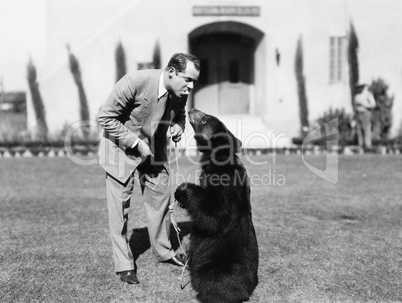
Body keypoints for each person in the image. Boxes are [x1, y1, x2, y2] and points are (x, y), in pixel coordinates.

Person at [98, 53, 200, 284]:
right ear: (171, 71)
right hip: (120, 151)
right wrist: (135, 143)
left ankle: (163, 251)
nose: (191, 86)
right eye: (188, 79)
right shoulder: (135, 81)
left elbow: (180, 116)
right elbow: (105, 118)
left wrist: (177, 127)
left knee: (160, 200)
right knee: (119, 211)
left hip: (154, 152)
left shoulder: (179, 91)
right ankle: (124, 265)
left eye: (194, 81)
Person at [354, 83, 376, 151]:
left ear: (363, 87)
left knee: (366, 129)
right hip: (358, 113)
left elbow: (373, 104)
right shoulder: (357, 96)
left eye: (361, 87)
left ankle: (368, 146)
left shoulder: (368, 95)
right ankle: (360, 145)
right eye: (358, 87)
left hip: (366, 112)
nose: (359, 88)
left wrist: (364, 104)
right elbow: (355, 105)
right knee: (359, 130)